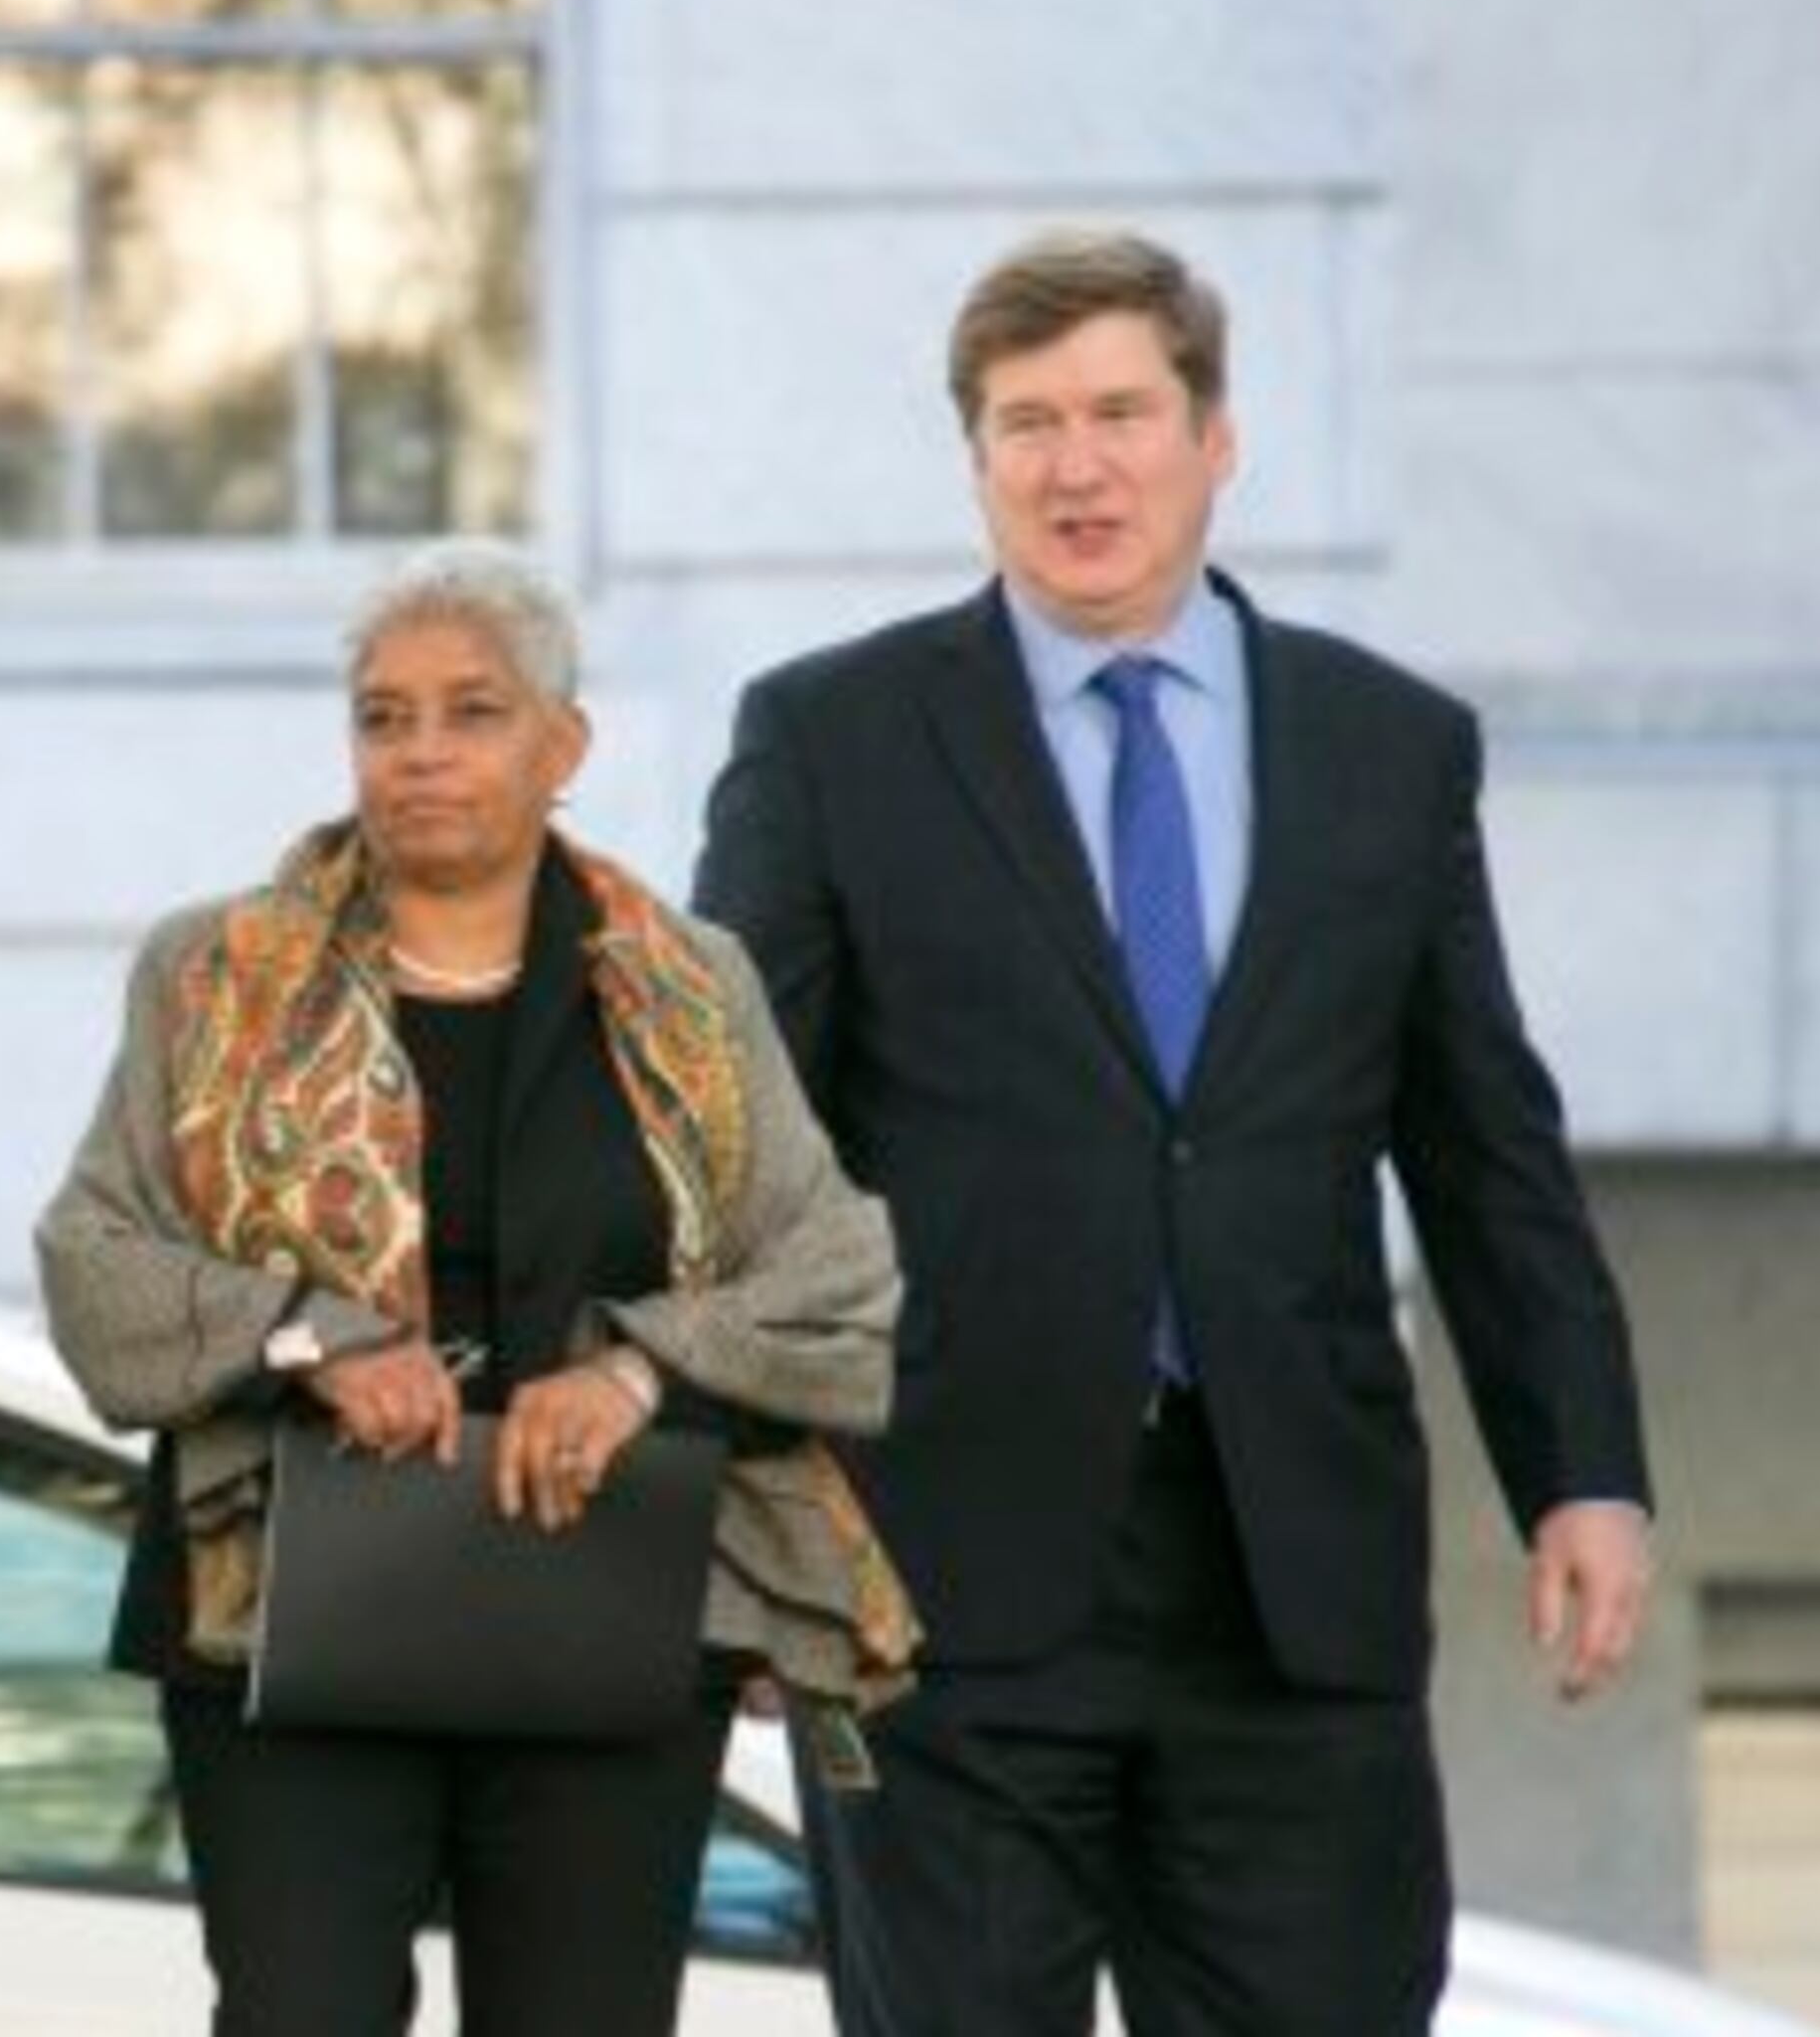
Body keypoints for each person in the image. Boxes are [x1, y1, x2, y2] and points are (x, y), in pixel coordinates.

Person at [693, 227, 1658, 2037]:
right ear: (974, 460)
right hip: (936, 1583)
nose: (1079, 466)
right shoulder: (832, 738)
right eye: (1025, 423)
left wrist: (1583, 1467)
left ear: (1216, 438)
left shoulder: (1390, 747)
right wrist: (736, 1518)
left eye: (1123, 411)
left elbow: (1483, 1147)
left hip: (1292, 1576)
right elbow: (730, 1155)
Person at [36, 540, 917, 2037]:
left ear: (564, 746)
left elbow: (840, 1274)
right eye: (385, 718)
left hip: (609, 1604)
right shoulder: (212, 971)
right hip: (285, 1616)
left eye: (471, 712)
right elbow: (95, 1256)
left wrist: (633, 1370)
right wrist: (310, 1337)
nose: (421, 753)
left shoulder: (691, 985)